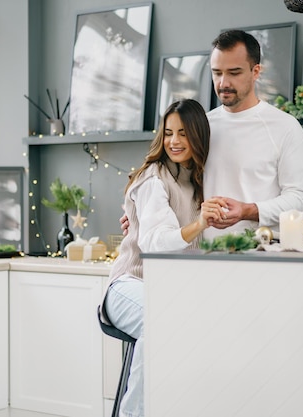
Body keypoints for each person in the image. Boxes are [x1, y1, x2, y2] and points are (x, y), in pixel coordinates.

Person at [121, 30, 303, 238]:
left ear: (256, 71)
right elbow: (169, 181)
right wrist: (140, 211)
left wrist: (247, 210)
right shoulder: (201, 127)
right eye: (217, 72)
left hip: (262, 254)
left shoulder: (285, 128)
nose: (223, 83)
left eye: (234, 72)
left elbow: (299, 201)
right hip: (201, 255)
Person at [101, 98, 219, 417]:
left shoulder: (202, 182)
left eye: (183, 133)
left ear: (198, 137)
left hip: (172, 292)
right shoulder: (155, 177)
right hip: (129, 284)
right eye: (168, 133)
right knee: (161, 320)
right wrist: (199, 224)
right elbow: (153, 242)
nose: (174, 142)